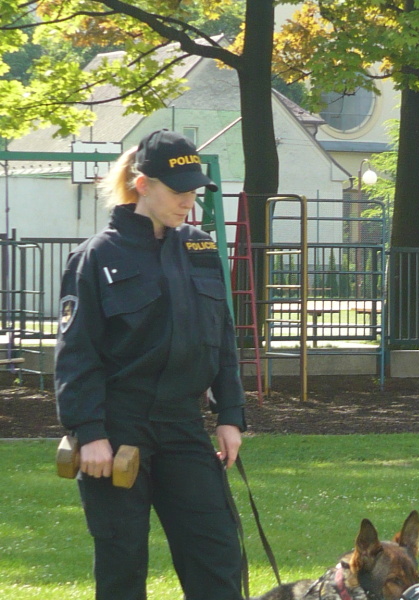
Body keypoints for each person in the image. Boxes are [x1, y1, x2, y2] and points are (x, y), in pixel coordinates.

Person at [55, 129, 247, 600]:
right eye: (178, 190)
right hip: (119, 428)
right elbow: (77, 353)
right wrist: (89, 432)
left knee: (218, 555)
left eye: (194, 191)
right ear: (142, 185)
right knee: (122, 566)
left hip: (183, 425)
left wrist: (230, 415)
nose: (188, 201)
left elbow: (222, 336)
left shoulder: (200, 248)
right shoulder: (96, 256)